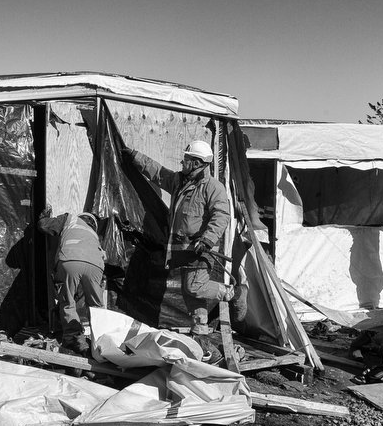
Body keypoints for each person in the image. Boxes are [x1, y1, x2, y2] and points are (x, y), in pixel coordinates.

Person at [123, 139, 240, 368]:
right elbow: (157, 172)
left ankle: (231, 293)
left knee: (194, 287)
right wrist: (135, 156)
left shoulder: (212, 187)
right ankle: (202, 342)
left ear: (197, 163)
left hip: (200, 249)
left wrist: (207, 239)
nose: (182, 162)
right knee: (192, 299)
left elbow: (221, 216)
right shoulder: (179, 181)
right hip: (181, 251)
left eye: (187, 159)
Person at [36, 205, 106, 355]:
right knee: (96, 306)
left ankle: (72, 339)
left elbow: (44, 226)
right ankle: (102, 341)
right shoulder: (94, 236)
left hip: (71, 261)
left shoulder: (70, 219)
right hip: (96, 266)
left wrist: (44, 218)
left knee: (68, 302)